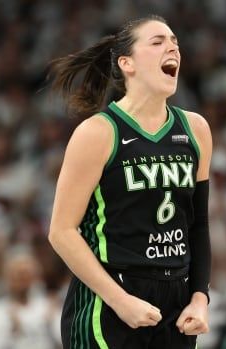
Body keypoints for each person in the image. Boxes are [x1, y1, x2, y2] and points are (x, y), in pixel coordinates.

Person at [47, 14, 212, 349]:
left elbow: (199, 225)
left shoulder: (195, 130)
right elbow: (61, 231)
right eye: (158, 42)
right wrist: (120, 301)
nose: (173, 48)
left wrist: (199, 299)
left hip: (175, 304)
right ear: (127, 63)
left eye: (175, 41)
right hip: (108, 300)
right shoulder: (99, 132)